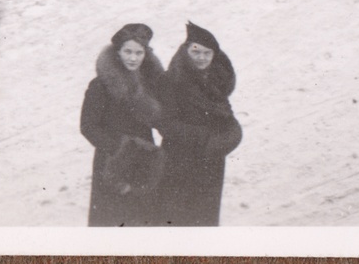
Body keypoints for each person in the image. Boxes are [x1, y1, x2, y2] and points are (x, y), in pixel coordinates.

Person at [156, 21, 242, 226]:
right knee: (175, 221)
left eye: (207, 53)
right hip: (178, 161)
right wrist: (203, 137)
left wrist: (229, 136)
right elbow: (165, 124)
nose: (201, 58)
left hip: (211, 162)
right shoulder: (171, 81)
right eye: (196, 52)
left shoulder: (215, 82)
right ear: (186, 52)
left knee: (204, 220)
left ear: (214, 56)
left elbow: (226, 118)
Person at [80, 22, 166, 226]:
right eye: (127, 51)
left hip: (143, 163)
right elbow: (88, 126)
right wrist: (120, 149)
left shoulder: (150, 84)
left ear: (146, 54)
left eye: (139, 52)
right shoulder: (101, 85)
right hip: (112, 162)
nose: (133, 58)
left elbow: (163, 118)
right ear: (117, 52)